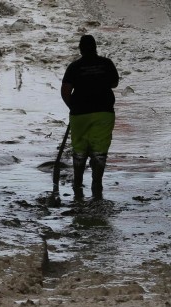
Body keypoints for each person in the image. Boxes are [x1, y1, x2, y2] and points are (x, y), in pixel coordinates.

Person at [61, 34, 119, 199]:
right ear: (95, 48)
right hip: (104, 113)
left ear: (80, 49)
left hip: (80, 114)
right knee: (99, 149)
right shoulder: (106, 63)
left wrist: (74, 108)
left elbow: (65, 91)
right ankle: (96, 184)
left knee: (79, 149)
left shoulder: (74, 67)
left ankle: (77, 183)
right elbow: (114, 83)